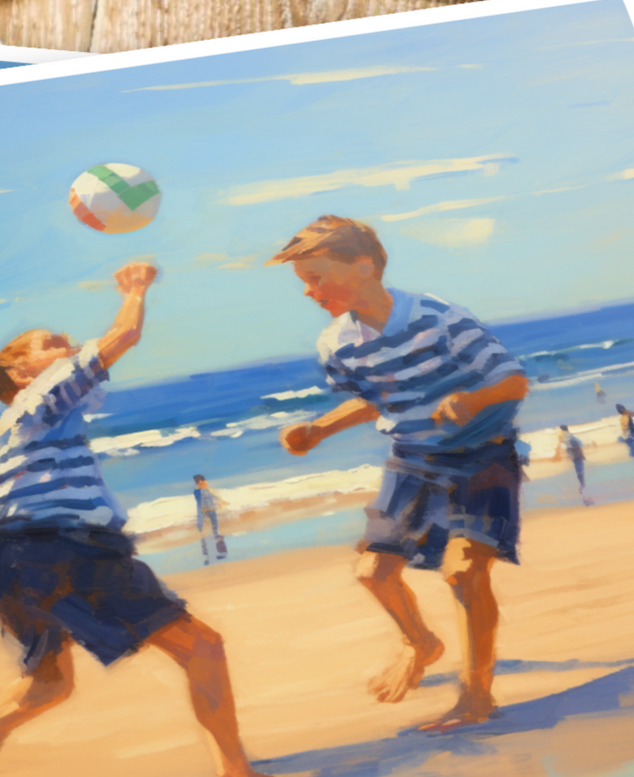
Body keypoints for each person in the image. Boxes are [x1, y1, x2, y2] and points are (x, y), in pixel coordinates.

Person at [0, 265, 307, 777]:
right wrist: (134, 288)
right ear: (20, 373)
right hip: (59, 546)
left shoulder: (23, 423)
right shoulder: (41, 395)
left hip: (4, 559)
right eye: (50, 344)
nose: (67, 346)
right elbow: (121, 339)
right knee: (201, 648)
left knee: (49, 683)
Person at [272, 215, 527, 731]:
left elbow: (514, 381)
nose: (309, 292)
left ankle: (476, 695)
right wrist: (318, 429)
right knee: (373, 573)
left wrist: (473, 398)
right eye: (305, 283)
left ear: (364, 266)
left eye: (317, 278)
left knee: (464, 572)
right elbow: (373, 402)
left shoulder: (438, 317)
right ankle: (420, 641)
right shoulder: (337, 345)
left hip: (482, 455)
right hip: (412, 458)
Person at [192, 473, 228, 561]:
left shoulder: (206, 490)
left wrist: (221, 501)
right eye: (204, 481)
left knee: (215, 531)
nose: (206, 483)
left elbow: (213, 497)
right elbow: (201, 504)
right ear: (200, 482)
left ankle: (218, 552)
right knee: (206, 533)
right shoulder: (199, 492)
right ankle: (208, 554)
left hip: (210, 511)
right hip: (206, 512)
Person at [556, 424, 593, 505]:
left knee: (580, 477)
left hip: (576, 458)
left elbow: (567, 446)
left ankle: (585, 498)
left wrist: (568, 453)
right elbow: (579, 444)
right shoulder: (571, 436)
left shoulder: (565, 437)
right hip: (578, 457)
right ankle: (585, 497)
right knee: (581, 477)